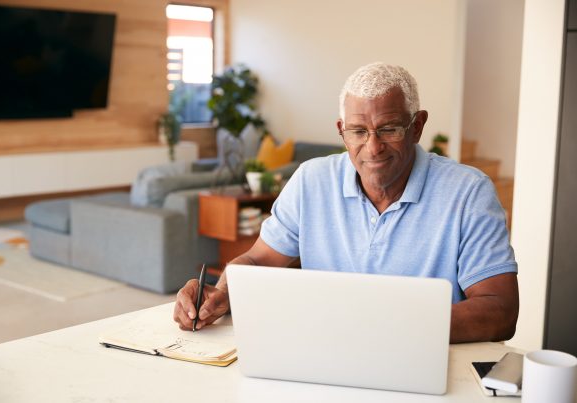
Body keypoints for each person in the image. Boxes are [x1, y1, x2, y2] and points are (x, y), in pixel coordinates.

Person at [174, 62, 519, 343]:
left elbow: (500, 310)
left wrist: (379, 328)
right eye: (357, 131)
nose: (373, 148)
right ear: (341, 129)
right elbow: (256, 260)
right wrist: (221, 294)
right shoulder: (310, 181)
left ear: (417, 126)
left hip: (421, 359)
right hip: (324, 354)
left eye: (389, 129)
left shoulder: (468, 192)